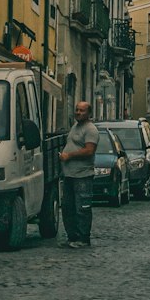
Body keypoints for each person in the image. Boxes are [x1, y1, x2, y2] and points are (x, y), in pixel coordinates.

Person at [59, 100, 99, 248]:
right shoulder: (75, 126)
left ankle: (83, 238)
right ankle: (72, 237)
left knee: (82, 208)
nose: (78, 113)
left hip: (82, 175)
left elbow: (89, 150)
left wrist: (69, 156)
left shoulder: (90, 129)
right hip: (69, 174)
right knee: (68, 207)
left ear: (89, 113)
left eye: (82, 110)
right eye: (77, 110)